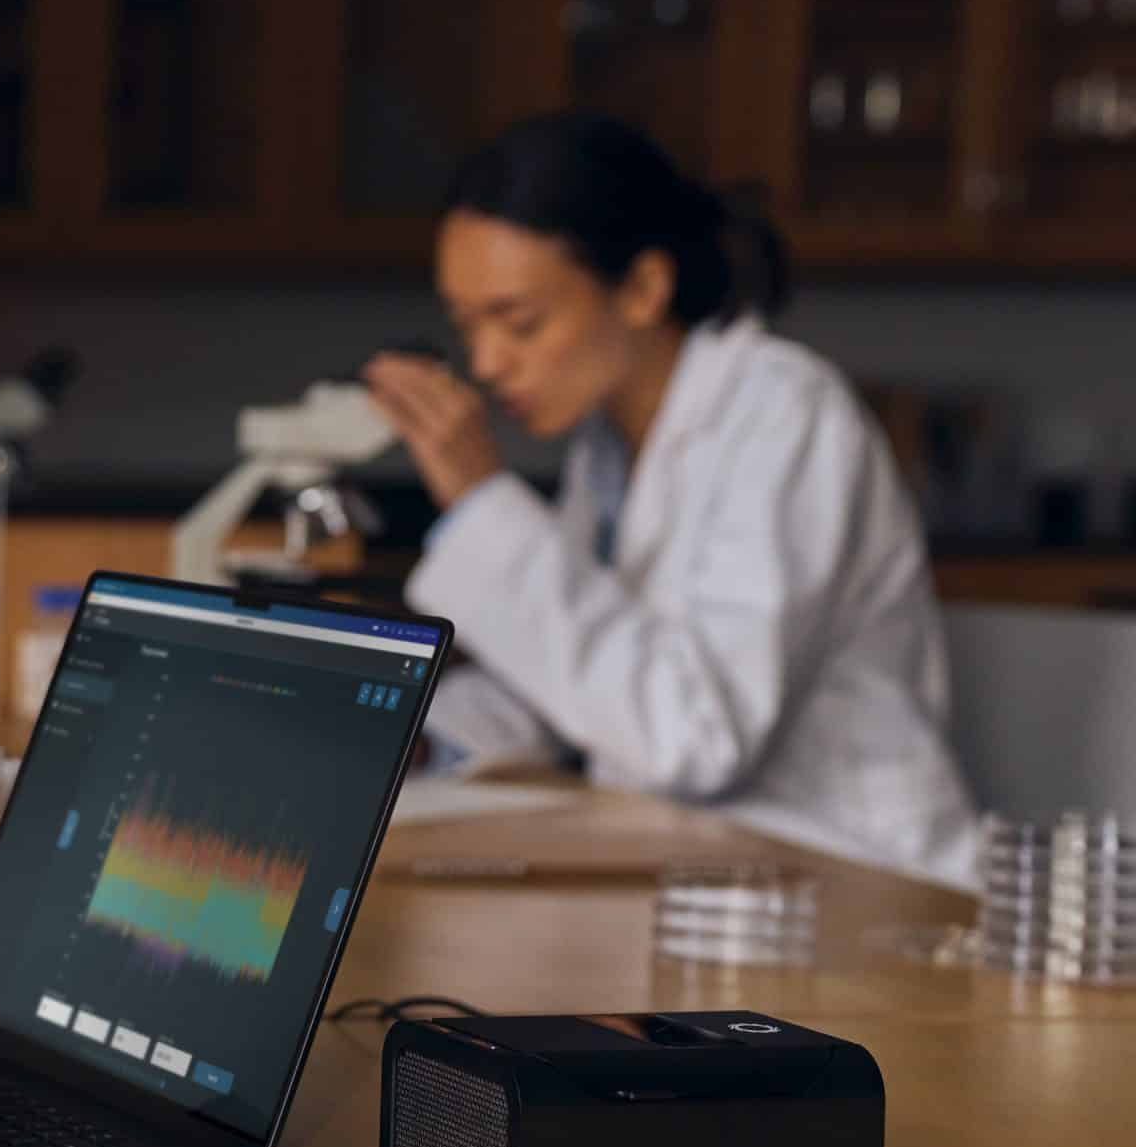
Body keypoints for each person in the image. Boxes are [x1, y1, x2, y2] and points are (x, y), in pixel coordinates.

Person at [364, 112, 977, 888]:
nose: (485, 363)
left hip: (855, 877)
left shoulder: (785, 412)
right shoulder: (608, 449)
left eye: (518, 322)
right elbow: (565, 686)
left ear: (644, 288)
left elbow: (694, 738)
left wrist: (481, 498)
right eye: (467, 326)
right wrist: (409, 744)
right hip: (707, 867)